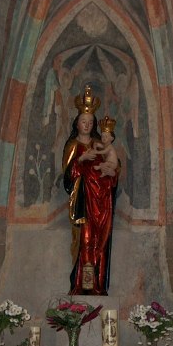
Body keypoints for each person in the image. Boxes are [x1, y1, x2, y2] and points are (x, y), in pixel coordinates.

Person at [62, 85, 119, 295]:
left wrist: (112, 172)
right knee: (84, 240)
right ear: (77, 123)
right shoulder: (72, 145)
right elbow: (67, 176)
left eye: (90, 122)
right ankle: (82, 284)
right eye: (83, 121)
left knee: (99, 241)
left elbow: (114, 166)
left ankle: (96, 283)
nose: (86, 125)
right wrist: (81, 160)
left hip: (101, 201)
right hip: (83, 202)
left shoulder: (99, 143)